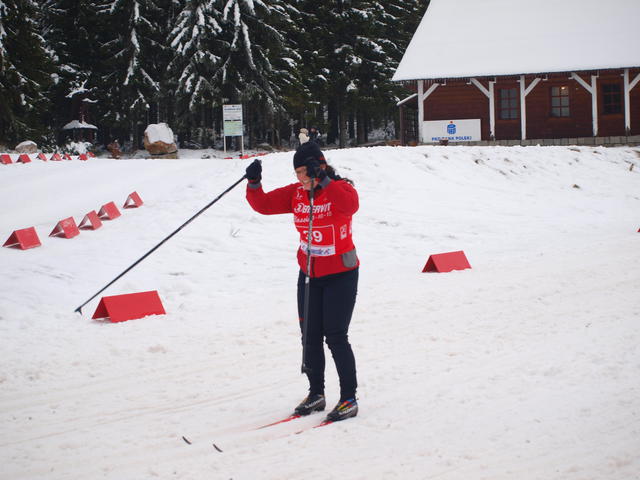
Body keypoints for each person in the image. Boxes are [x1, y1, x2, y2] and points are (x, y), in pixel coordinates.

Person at [244, 141, 360, 423]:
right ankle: (316, 393)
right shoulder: (297, 194)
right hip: (309, 273)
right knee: (310, 336)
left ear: (319, 167)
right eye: (297, 173)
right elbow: (264, 205)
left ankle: (349, 398)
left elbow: (350, 206)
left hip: (340, 274)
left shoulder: (341, 188)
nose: (300, 179)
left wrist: (324, 180)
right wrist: (254, 183)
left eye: (304, 172)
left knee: (336, 336)